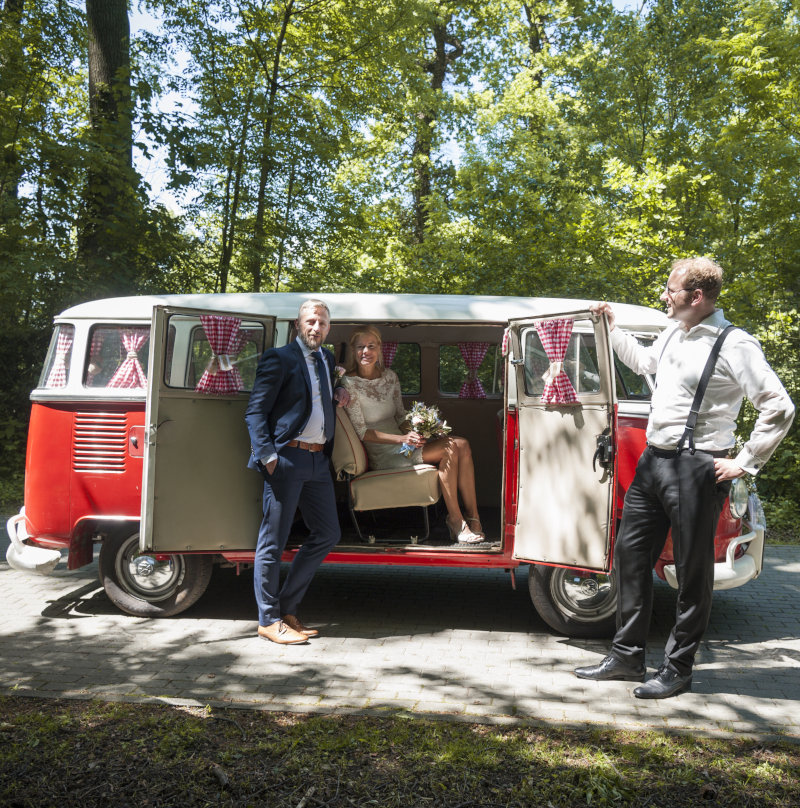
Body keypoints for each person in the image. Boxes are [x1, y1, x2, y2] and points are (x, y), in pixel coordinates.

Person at [575, 257, 794, 698]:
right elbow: (643, 363)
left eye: (671, 290)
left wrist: (746, 462)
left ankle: (678, 669)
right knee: (630, 556)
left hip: (698, 468)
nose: (664, 296)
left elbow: (779, 406)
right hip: (654, 462)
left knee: (692, 574)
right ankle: (627, 657)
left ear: (697, 296)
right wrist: (612, 328)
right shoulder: (674, 329)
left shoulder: (736, 344)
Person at [245, 299, 349, 645]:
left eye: (321, 323)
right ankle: (268, 619)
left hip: (319, 460)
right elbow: (255, 413)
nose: (315, 328)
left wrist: (339, 393)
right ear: (298, 324)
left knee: (328, 533)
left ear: (328, 328)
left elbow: (313, 398)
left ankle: (287, 609)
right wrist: (268, 456)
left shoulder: (327, 358)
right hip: (286, 459)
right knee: (273, 541)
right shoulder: (280, 358)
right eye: (310, 321)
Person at [340, 325, 484, 544]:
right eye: (360, 347)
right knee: (452, 447)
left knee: (462, 444)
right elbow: (362, 432)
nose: (365, 352)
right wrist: (402, 439)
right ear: (353, 350)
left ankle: (474, 519)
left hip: (403, 443)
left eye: (371, 346)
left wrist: (418, 430)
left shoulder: (390, 377)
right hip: (384, 453)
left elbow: (400, 416)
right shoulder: (348, 383)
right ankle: (455, 519)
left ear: (379, 348)